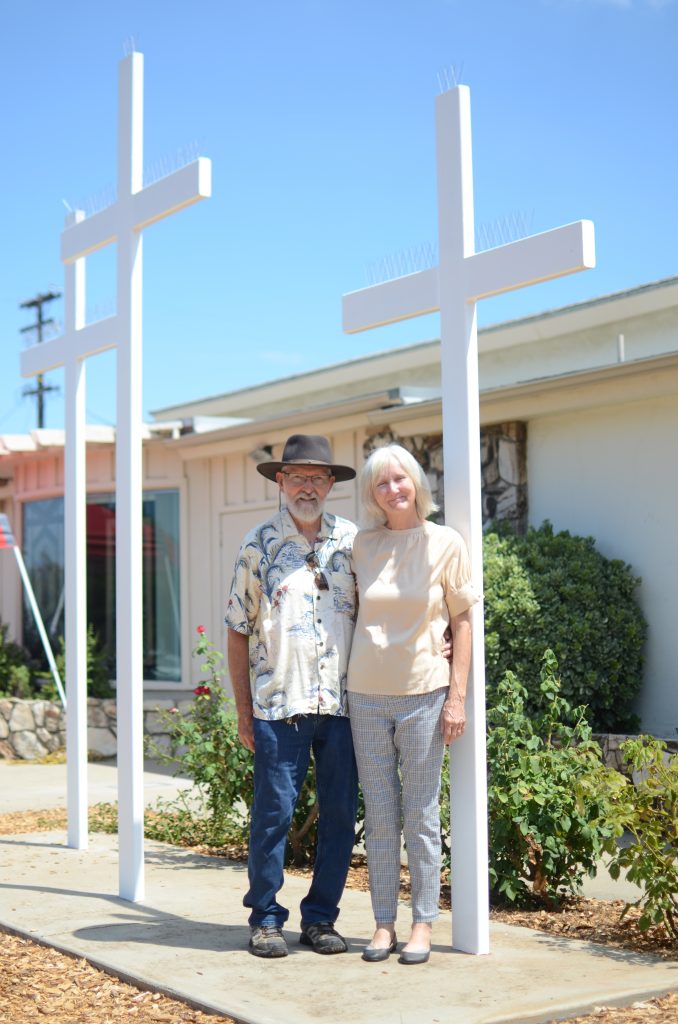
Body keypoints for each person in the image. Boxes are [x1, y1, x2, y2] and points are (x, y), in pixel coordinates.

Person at [226, 434, 359, 959]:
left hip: (345, 707)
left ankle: (321, 919)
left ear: (331, 484)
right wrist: (243, 712)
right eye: (297, 476)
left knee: (341, 817)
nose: (308, 486)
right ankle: (264, 918)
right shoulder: (257, 545)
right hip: (279, 705)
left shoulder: (353, 542)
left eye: (317, 477)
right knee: (274, 814)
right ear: (280, 481)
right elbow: (237, 629)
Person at [347, 443, 480, 965]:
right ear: (372, 495)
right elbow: (350, 612)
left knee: (421, 815)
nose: (392, 490)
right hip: (365, 694)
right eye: (381, 484)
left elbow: (464, 620)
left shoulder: (446, 542)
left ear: (416, 483)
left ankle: (423, 922)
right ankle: (384, 924)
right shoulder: (362, 545)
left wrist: (457, 697)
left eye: (399, 480)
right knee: (379, 815)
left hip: (426, 693)